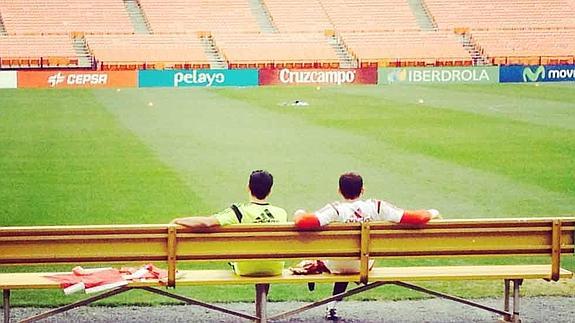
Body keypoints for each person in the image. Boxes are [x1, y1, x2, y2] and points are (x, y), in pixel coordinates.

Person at [293, 172, 441, 321]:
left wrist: (299, 211)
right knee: (353, 255)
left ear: (339, 190)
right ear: (363, 190)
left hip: (337, 264)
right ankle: (331, 303)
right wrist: (434, 212)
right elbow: (418, 218)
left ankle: (325, 288)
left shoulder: (335, 209)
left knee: (343, 257)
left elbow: (302, 221)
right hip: (365, 263)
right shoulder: (377, 207)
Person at [171, 169, 288, 277]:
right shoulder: (281, 213)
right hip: (275, 269)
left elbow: (206, 223)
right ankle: (261, 300)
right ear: (270, 190)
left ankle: (259, 300)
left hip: (247, 269)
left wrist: (177, 220)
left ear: (248, 187)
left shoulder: (238, 211)